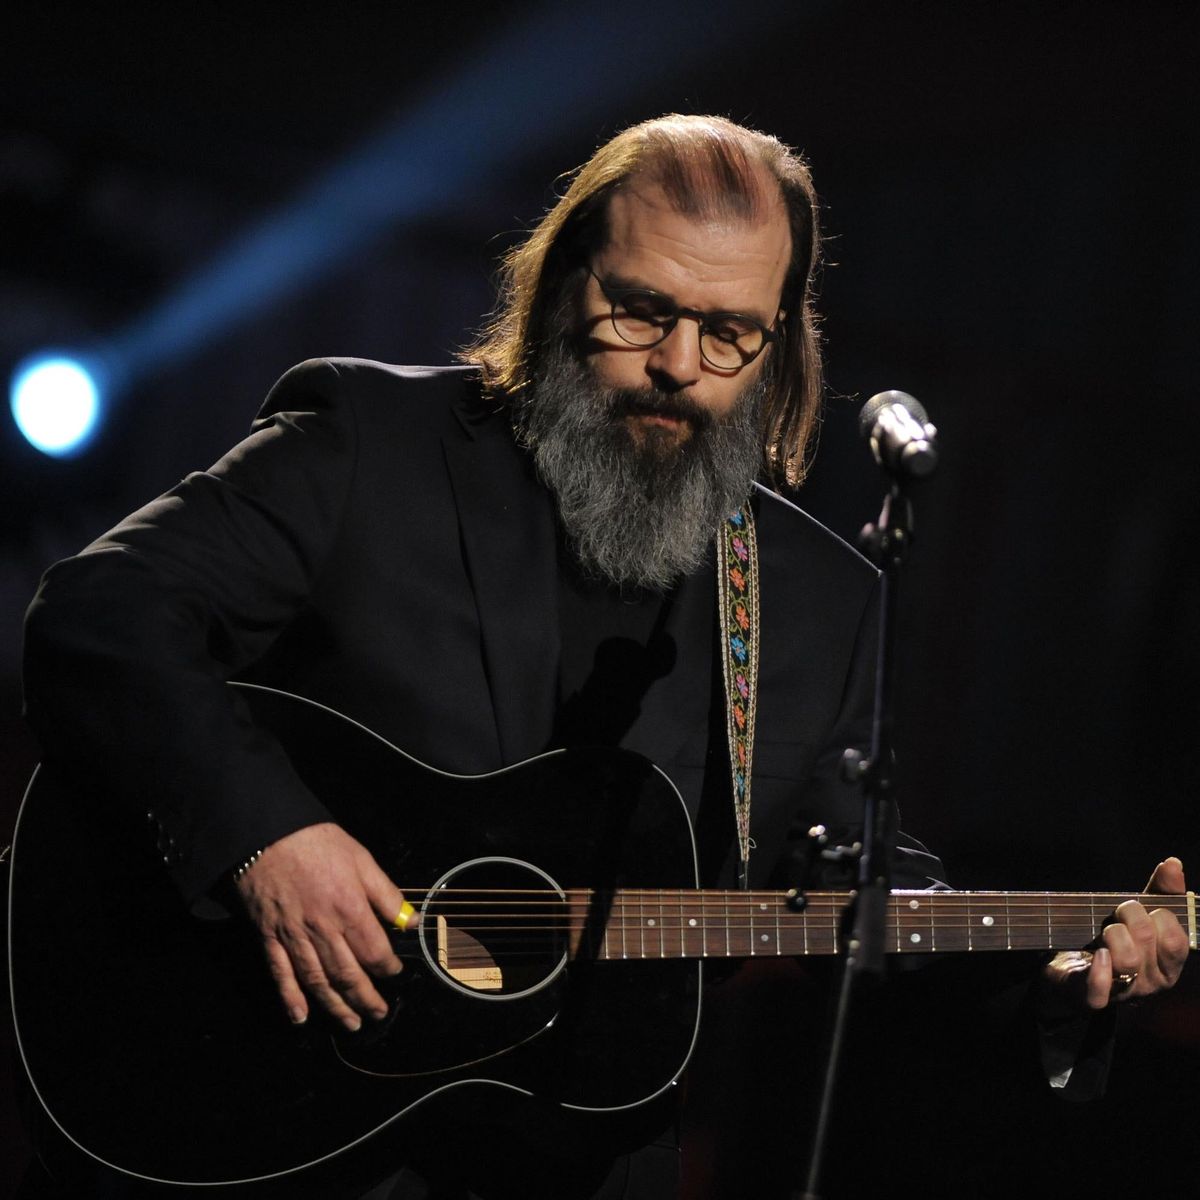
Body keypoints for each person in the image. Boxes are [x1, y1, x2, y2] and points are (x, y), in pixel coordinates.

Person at [21, 115, 1189, 1199]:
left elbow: (852, 884)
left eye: (729, 333)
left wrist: (1051, 973)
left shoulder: (818, 604)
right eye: (641, 311)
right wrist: (265, 834)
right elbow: (103, 609)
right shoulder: (370, 445)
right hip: (254, 1107)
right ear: (559, 284)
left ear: (779, 345)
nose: (680, 364)